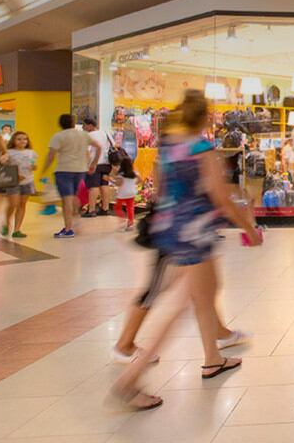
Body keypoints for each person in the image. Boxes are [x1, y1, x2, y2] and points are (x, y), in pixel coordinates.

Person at [112, 90, 262, 410]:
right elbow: (220, 197)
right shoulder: (201, 147)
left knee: (204, 295)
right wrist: (249, 227)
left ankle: (212, 357)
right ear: (206, 116)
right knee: (185, 303)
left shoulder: (168, 144)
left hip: (171, 228)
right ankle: (131, 379)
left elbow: (160, 188)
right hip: (195, 232)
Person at [41, 113, 101, 238]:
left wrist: (44, 169)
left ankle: (68, 229)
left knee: (67, 199)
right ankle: (76, 219)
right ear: (73, 123)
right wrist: (93, 163)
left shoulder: (58, 136)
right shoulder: (83, 135)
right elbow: (99, 147)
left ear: (60, 124)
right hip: (80, 170)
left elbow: (51, 155)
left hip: (64, 170)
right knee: (74, 196)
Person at [0, 131, 38, 238]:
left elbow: (33, 164)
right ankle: (6, 222)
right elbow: (3, 165)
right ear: (14, 140)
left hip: (28, 181)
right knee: (13, 204)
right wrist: (3, 159)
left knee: (22, 204)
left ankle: (17, 229)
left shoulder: (31, 152)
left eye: (25, 139)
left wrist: (34, 167)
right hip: (13, 182)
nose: (22, 141)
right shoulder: (9, 152)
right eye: (19, 139)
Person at [82, 118, 113, 217]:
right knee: (104, 185)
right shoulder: (105, 133)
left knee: (93, 186)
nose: (83, 127)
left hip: (95, 164)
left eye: (84, 125)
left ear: (90, 125)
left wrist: (88, 165)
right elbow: (114, 145)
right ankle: (105, 208)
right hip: (107, 163)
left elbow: (86, 152)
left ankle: (91, 210)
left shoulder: (89, 135)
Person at [111, 155, 140, 231]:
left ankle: (123, 220)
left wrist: (111, 179)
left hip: (123, 194)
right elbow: (140, 180)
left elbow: (118, 184)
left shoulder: (121, 175)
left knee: (117, 208)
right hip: (132, 193)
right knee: (130, 208)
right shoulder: (135, 173)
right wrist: (134, 183)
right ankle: (130, 224)